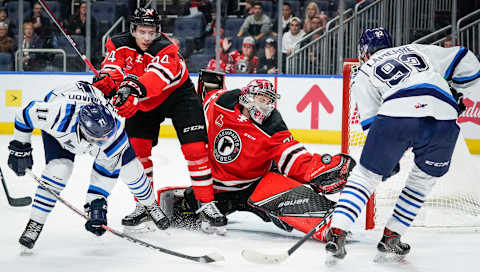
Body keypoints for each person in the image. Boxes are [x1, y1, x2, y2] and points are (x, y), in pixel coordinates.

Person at [324, 27, 480, 263]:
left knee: (366, 176)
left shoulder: (363, 71)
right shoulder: (416, 49)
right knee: (421, 182)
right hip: (445, 116)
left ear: (363, 52)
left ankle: (337, 232)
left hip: (398, 112)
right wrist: (458, 91)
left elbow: (373, 123)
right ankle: (391, 237)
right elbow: (465, 59)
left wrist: (387, 162)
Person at [157, 71, 356, 238]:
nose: (266, 106)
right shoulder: (220, 104)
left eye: (269, 101)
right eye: (262, 100)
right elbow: (208, 93)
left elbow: (294, 158)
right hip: (217, 189)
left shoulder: (273, 126)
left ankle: (331, 219)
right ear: (247, 97)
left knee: (282, 202)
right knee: (182, 216)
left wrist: (322, 168)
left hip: (254, 185)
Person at [92, 7, 226, 233]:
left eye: (151, 32)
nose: (146, 37)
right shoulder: (117, 43)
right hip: (144, 100)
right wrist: (107, 81)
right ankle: (145, 206)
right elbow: (113, 68)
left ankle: (206, 204)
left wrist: (130, 89)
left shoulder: (167, 48)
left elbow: (155, 79)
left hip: (178, 95)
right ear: (133, 29)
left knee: (196, 150)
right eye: (142, 31)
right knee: (137, 151)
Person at [7, 81, 169, 252]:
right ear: (83, 128)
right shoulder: (58, 115)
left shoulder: (112, 134)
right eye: (98, 139)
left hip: (91, 104)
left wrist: (96, 204)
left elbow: (105, 172)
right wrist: (20, 148)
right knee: (59, 170)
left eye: (106, 137)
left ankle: (151, 204)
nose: (104, 142)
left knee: (131, 170)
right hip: (61, 130)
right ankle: (35, 223)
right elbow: (23, 115)